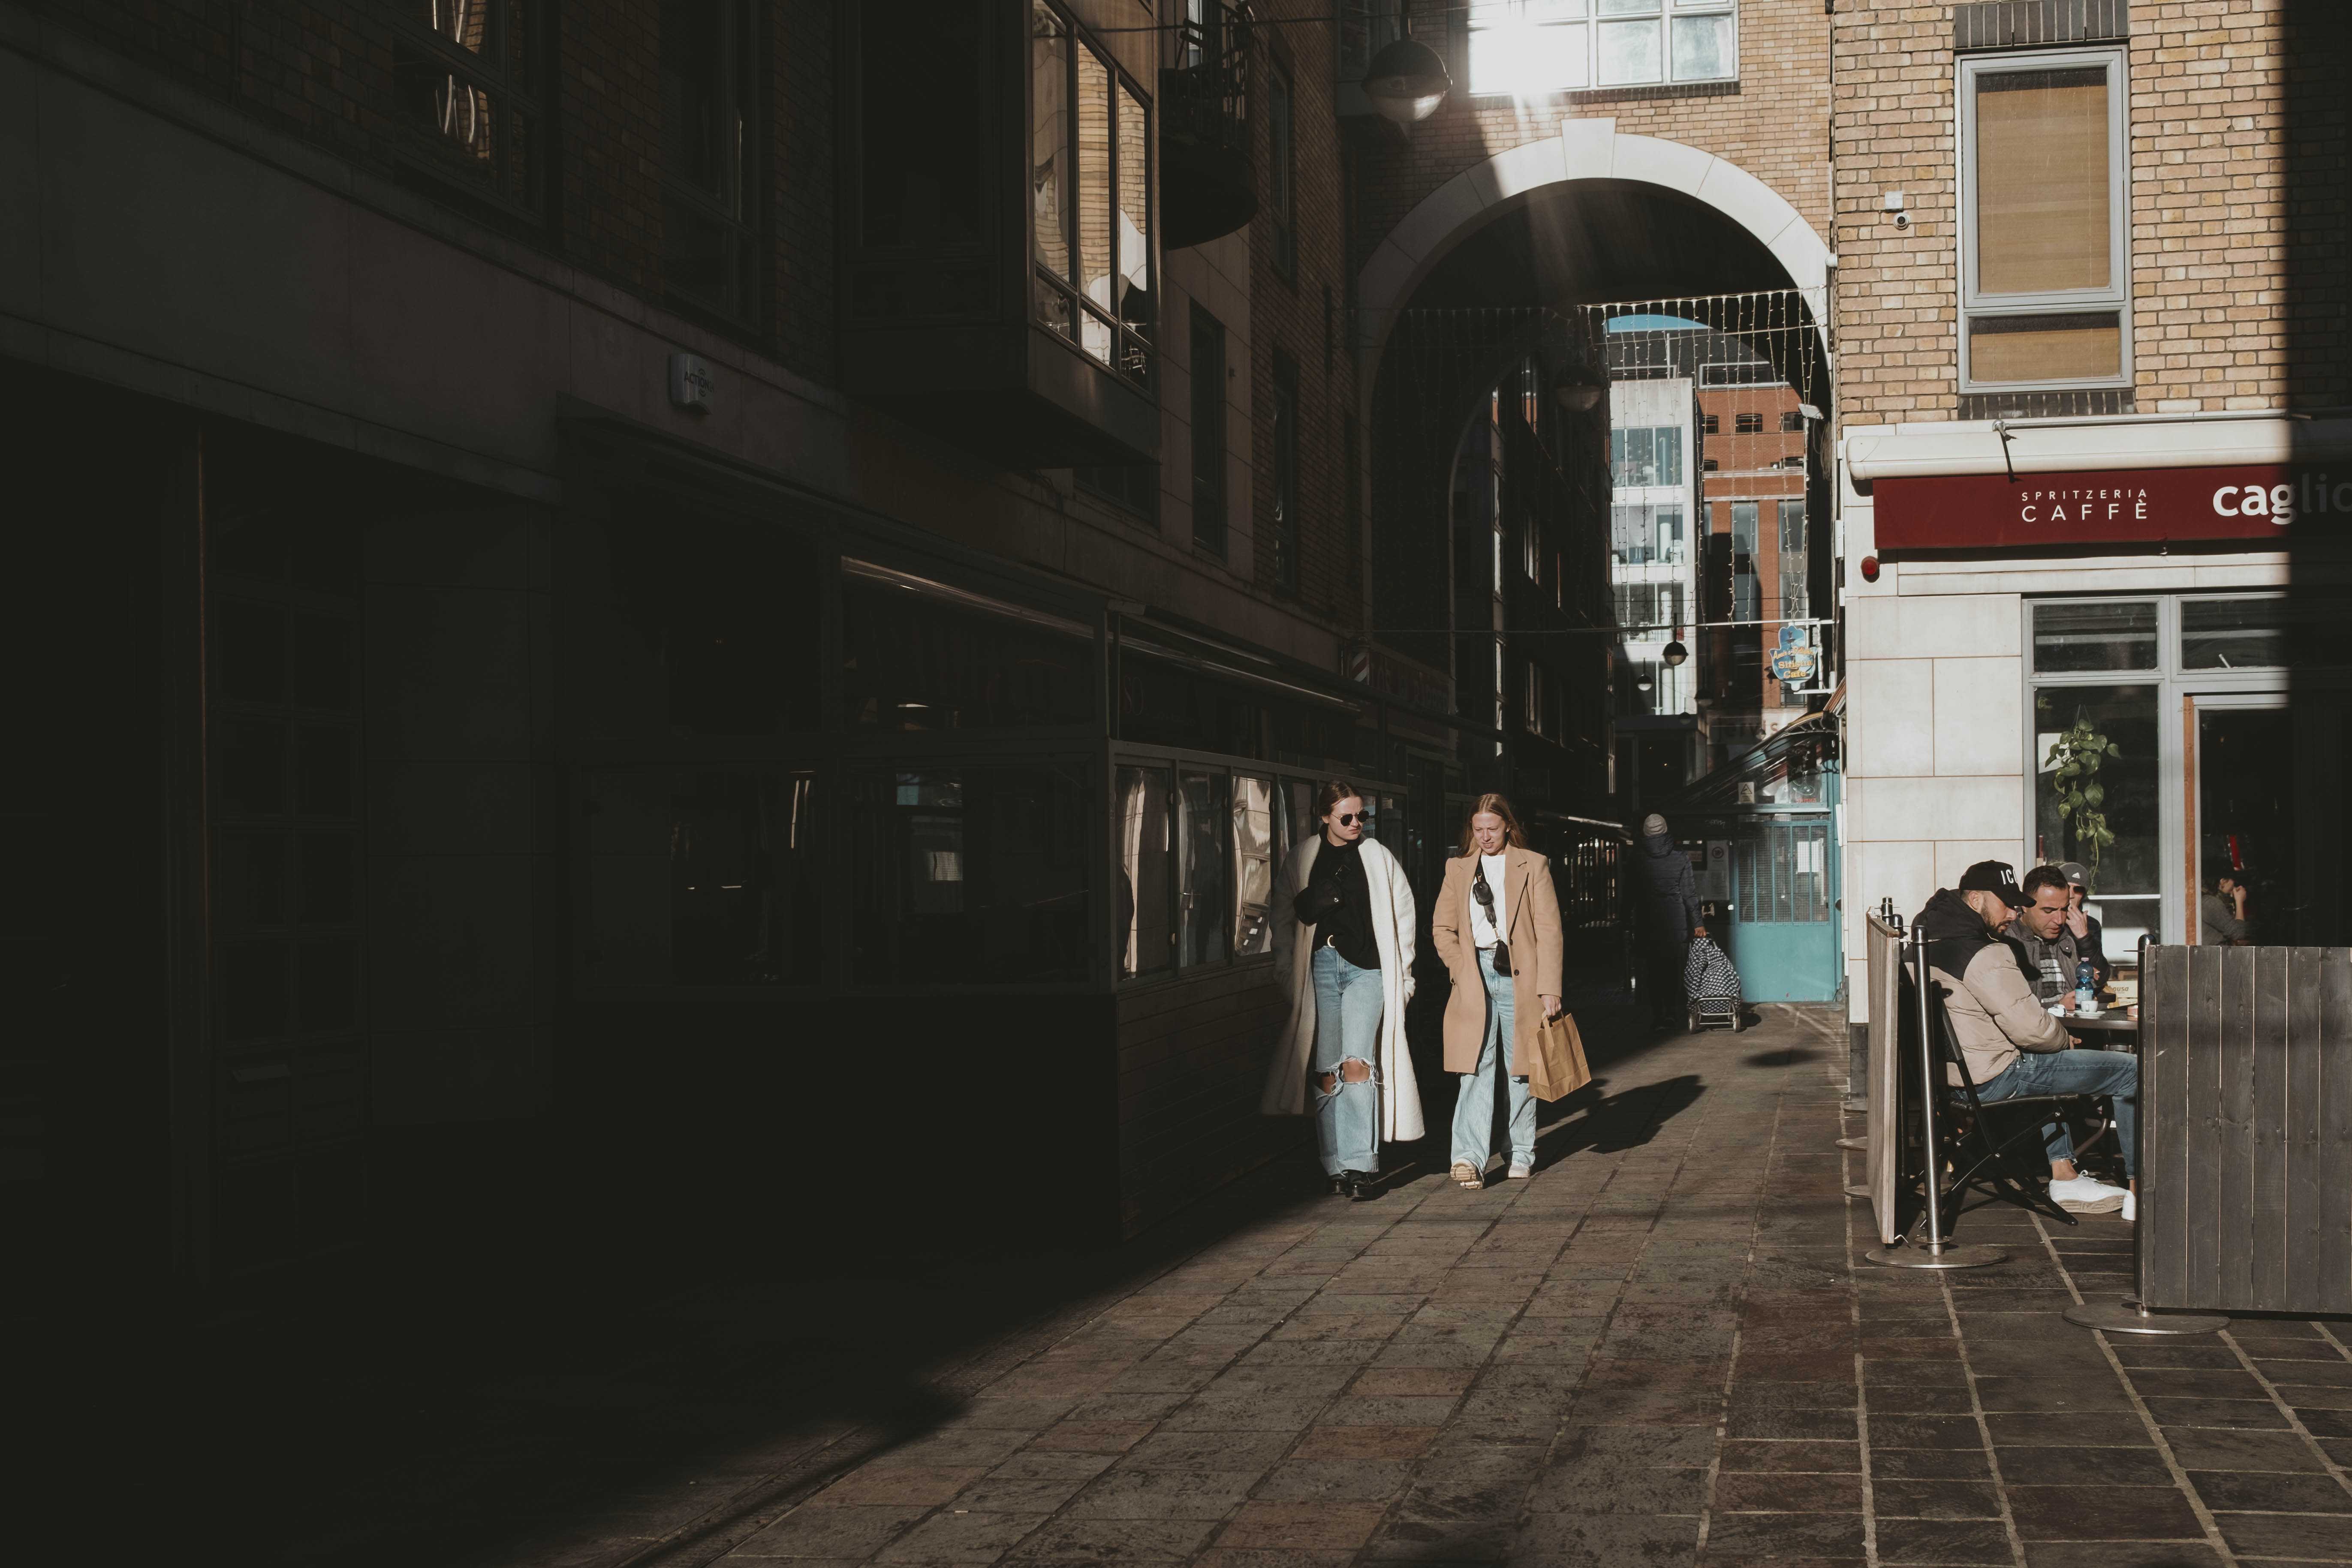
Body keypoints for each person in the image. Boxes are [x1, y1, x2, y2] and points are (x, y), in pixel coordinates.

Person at [1913, 860, 2140, 1219]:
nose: (2013, 911)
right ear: (1974, 899)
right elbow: (2032, 1030)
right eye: (2004, 902)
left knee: (2060, 1066)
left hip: (1949, 1079)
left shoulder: (1926, 940)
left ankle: (2065, 1172)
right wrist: (2064, 1040)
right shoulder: (1984, 950)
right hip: (1997, 1075)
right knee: (2133, 1071)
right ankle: (2139, 1191)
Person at [1262, 780, 1424, 1200]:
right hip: (1320, 967)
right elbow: (1281, 914)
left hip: (1366, 970)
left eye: (1361, 816)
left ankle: (1358, 1165)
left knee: (1357, 1064)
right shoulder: (1303, 857)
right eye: (1346, 818)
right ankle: (1333, 1164)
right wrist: (1284, 970)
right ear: (1324, 818)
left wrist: (1402, 975)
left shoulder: (1376, 856)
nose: (1356, 824)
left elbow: (1404, 915)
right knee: (1326, 1071)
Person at [1431, 794, 1564, 1190]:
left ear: (1508, 825)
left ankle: (1520, 1151)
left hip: (1521, 977)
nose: (1485, 836)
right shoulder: (1456, 869)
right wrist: (1460, 967)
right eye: (1478, 829)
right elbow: (1443, 928)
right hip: (1475, 973)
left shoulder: (1533, 864)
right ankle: (1467, 1158)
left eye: (1492, 828)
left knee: (1520, 1068)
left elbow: (1549, 930)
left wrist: (1549, 988)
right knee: (1474, 1066)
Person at [1633, 812, 1701, 1031]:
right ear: (1666, 831)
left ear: (1645, 833)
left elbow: (1630, 895)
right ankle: (1672, 1014)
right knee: (1673, 971)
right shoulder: (1681, 858)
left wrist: (1624, 921)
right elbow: (1690, 894)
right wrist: (1698, 923)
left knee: (1653, 972)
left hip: (1648, 923)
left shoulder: (1637, 858)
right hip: (1676, 924)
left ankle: (1658, 1016)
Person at [2008, 866, 2081, 1005]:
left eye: (2064, 909)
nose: (2059, 920)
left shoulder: (2066, 941)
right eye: (2049, 911)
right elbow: (2009, 1010)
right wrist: (2058, 1007)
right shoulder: (2007, 942)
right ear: (2025, 905)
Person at [2058, 862, 2108, 987]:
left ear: (2084, 895)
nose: (2071, 894)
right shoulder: (2045, 919)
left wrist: (2083, 936)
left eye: (2078, 890)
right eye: (2066, 887)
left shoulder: (2091, 924)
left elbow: (2101, 974)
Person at [2200, 870, 2250, 945]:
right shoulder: (2210, 902)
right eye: (2234, 882)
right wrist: (2239, 901)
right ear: (2223, 881)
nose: (2234, 887)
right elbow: (2239, 934)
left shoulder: (2205, 899)